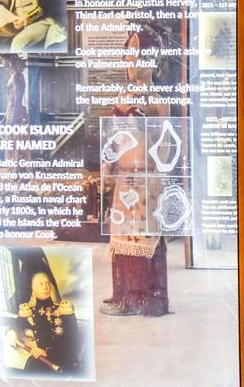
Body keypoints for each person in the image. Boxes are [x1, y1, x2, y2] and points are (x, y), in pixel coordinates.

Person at [100, 28, 170, 317]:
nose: (130, 61)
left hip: (144, 178)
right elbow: (113, 138)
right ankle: (124, 292)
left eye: (137, 56)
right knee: (122, 233)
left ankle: (142, 296)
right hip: (124, 177)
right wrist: (108, 168)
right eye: (129, 55)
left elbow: (165, 142)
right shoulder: (124, 95)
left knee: (142, 234)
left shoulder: (157, 99)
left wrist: (157, 177)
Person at [4, 272, 80, 376]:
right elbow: (16, 324)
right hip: (41, 361)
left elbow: (73, 341)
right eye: (41, 284)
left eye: (47, 283)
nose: (45, 287)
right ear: (33, 288)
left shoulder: (64, 310)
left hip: (63, 361)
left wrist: (47, 352)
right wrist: (11, 332)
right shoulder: (29, 311)